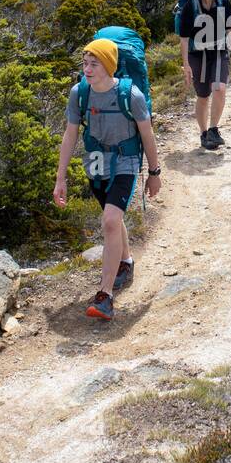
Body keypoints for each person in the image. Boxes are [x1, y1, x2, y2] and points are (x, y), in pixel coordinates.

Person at [53, 37, 161, 321]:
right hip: (96, 162)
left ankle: (105, 296)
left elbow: (147, 134)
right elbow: (70, 134)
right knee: (112, 216)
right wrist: (60, 177)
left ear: (109, 67)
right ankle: (125, 261)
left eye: (94, 64)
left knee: (111, 220)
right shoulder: (79, 94)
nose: (87, 69)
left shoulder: (131, 95)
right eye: (85, 63)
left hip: (125, 161)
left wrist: (154, 172)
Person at [178, 0, 231, 149]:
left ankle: (214, 130)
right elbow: (183, 40)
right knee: (203, 96)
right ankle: (204, 133)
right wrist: (186, 66)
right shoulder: (190, 7)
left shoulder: (224, 2)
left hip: (219, 52)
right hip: (197, 56)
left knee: (220, 88)